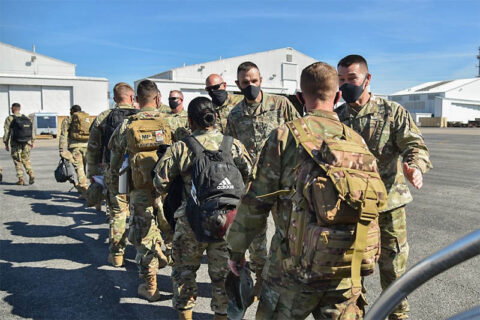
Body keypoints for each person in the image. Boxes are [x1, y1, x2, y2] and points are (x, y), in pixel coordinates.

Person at [227, 61, 386, 319]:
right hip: (344, 269)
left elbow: (256, 202)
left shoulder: (284, 136)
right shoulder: (355, 139)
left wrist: (236, 250)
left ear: (301, 97)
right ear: (337, 96)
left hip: (292, 274)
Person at [335, 54, 433, 320]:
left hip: (388, 206)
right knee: (352, 270)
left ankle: (397, 316)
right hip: (350, 210)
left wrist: (414, 166)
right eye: (341, 80)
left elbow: (415, 145)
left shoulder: (392, 112)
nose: (345, 85)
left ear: (367, 79)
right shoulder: (337, 118)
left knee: (394, 271)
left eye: (351, 78)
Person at [154, 97, 252, 320]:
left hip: (190, 221)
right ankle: (221, 315)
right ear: (215, 118)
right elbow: (249, 175)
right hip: (226, 222)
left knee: (184, 273)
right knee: (224, 276)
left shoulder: (181, 147)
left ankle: (186, 315)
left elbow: (159, 183)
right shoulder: (233, 144)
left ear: (190, 120)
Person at [225, 61, 300, 296]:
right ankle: (260, 278)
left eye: (254, 81)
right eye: (245, 83)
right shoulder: (235, 114)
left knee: (286, 232)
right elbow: (229, 148)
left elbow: (300, 133)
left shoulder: (281, 105)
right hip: (253, 185)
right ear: (238, 85)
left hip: (282, 183)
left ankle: (286, 280)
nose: (251, 86)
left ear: (261, 80)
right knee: (256, 237)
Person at [109, 79, 172, 301]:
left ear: (136, 99)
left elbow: (115, 160)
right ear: (158, 99)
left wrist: (117, 187)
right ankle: (175, 268)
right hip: (167, 189)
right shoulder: (170, 122)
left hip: (139, 189)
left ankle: (151, 286)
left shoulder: (127, 124)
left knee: (144, 234)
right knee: (171, 229)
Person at [86, 82, 137, 267]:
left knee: (118, 212)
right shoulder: (141, 116)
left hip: (117, 170)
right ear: (132, 98)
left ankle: (117, 254)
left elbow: (93, 147)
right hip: (140, 172)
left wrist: (92, 174)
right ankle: (144, 252)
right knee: (141, 210)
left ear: (114, 99)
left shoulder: (104, 117)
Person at [59, 105, 90, 195]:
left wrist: (61, 148)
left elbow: (63, 134)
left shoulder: (69, 119)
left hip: (75, 147)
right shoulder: (86, 118)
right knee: (85, 168)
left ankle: (84, 190)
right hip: (87, 146)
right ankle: (85, 188)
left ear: (72, 111)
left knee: (79, 168)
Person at [3, 103, 35, 185]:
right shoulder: (26, 118)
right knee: (26, 159)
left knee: (17, 161)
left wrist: (6, 143)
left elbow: (7, 132)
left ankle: (21, 179)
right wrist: (32, 141)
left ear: (13, 108)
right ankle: (31, 173)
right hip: (26, 142)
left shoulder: (9, 118)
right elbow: (32, 130)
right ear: (19, 109)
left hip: (15, 143)